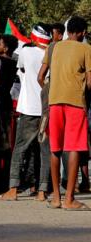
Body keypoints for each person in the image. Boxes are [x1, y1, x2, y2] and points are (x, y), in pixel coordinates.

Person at [0, 25, 51, 201]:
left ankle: (13, 189)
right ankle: (43, 191)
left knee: (20, 148)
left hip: (29, 108)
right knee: (45, 152)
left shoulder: (27, 52)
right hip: (46, 108)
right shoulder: (51, 53)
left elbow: (21, 67)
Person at [45, 16, 91, 210]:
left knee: (55, 148)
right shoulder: (86, 49)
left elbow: (41, 77)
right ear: (82, 33)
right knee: (73, 148)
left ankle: (56, 198)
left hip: (54, 102)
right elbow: (90, 82)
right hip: (75, 103)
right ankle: (70, 199)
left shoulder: (53, 47)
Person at [0, 35, 18, 193]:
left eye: (0, 44)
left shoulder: (1, 62)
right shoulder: (14, 62)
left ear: (6, 48)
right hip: (6, 103)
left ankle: (0, 180)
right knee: (6, 141)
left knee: (0, 142)